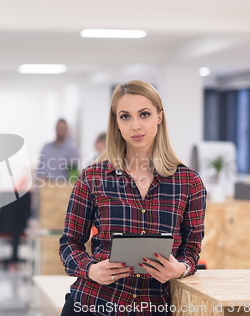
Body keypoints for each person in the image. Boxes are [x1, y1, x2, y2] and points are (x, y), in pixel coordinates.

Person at [59, 80, 206, 316]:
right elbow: (69, 244)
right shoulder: (93, 177)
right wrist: (91, 269)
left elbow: (191, 250)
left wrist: (179, 268)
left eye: (144, 114)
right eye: (125, 117)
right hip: (94, 303)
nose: (135, 125)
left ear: (159, 116)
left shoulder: (189, 182)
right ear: (116, 123)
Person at [36, 119, 80, 183]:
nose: (61, 130)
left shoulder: (72, 150)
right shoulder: (46, 147)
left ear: (67, 130)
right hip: (43, 186)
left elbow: (73, 177)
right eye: (59, 128)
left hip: (60, 188)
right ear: (55, 129)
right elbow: (39, 169)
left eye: (63, 128)